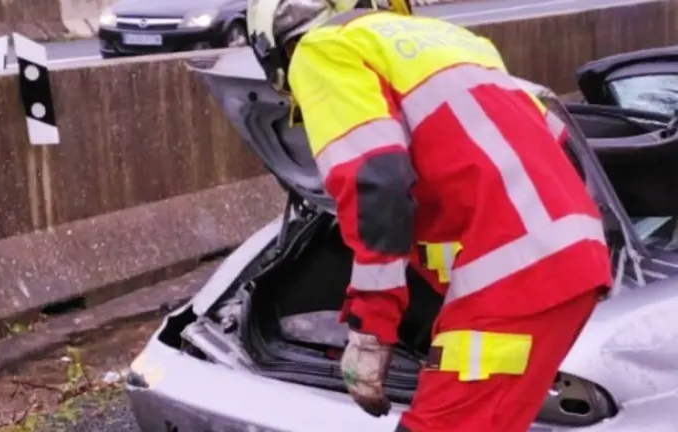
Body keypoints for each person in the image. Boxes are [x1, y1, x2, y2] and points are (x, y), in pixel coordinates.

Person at [245, 0, 613, 430]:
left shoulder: (323, 48)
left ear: (276, 48)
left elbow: (376, 182)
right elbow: (554, 143)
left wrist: (371, 330)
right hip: (569, 257)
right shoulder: (456, 41)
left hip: (516, 275)